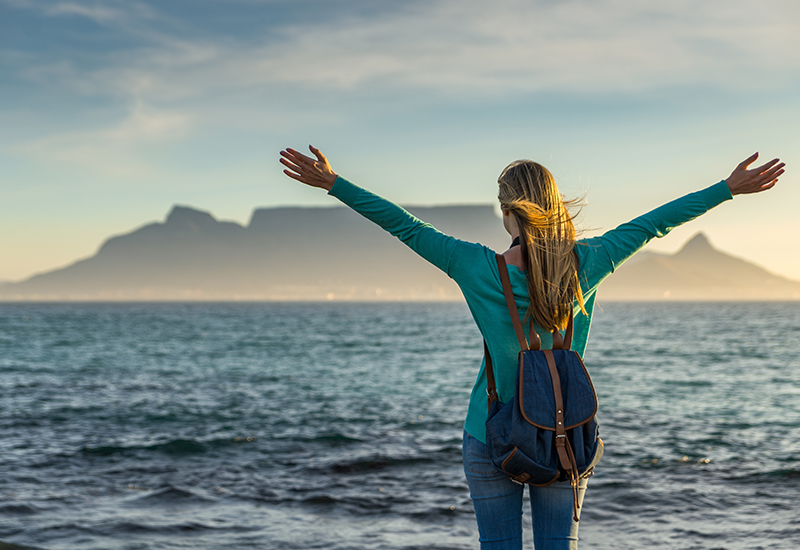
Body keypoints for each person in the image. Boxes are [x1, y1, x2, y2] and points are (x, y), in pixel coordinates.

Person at [279, 146, 785, 550]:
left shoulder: (473, 265)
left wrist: (334, 184)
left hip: (491, 431)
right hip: (566, 435)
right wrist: (728, 189)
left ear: (506, 211)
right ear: (556, 204)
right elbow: (655, 222)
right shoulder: (589, 261)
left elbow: (405, 226)